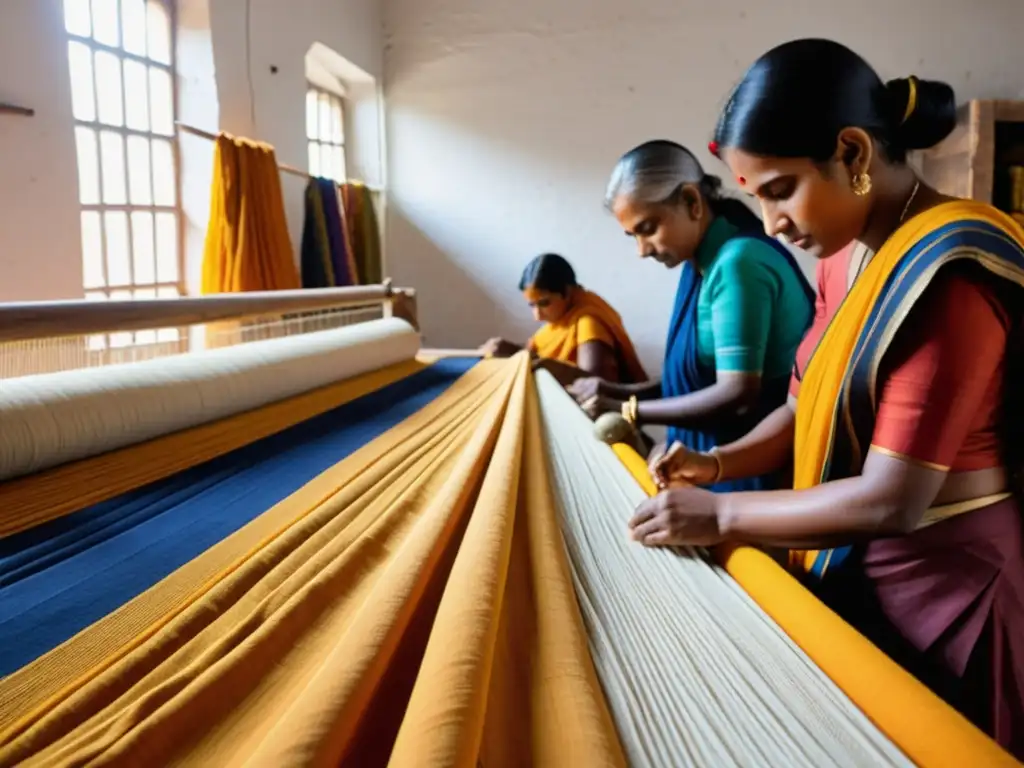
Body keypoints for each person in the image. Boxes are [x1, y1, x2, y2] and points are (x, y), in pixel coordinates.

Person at [630, 39, 1024, 757]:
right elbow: (805, 405)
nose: (773, 222)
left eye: (780, 190)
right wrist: (716, 466)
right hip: (865, 565)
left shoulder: (944, 274)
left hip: (949, 589)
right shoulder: (845, 256)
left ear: (852, 153)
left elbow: (892, 499)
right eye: (756, 198)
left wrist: (723, 512)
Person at [572, 140, 814, 491]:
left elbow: (736, 394)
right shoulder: (701, 262)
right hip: (709, 462)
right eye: (632, 236)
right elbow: (694, 377)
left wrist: (630, 409)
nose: (642, 250)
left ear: (691, 201)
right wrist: (620, 391)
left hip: (747, 469)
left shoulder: (738, 264)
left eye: (648, 228)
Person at [480, 253, 647, 385]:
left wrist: (519, 355)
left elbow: (593, 383)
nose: (537, 316)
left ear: (567, 292)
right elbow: (539, 348)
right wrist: (508, 349)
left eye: (544, 303)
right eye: (532, 305)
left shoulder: (588, 321)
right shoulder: (563, 317)